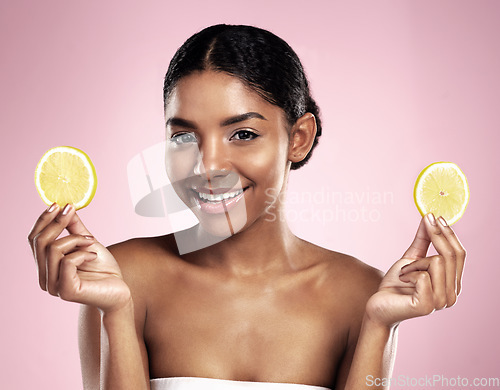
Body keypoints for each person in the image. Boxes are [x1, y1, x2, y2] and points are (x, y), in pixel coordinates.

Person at [27, 24, 466, 390]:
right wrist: (118, 313)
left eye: (242, 134)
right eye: (184, 137)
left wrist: (378, 325)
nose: (208, 165)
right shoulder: (120, 278)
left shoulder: (363, 294)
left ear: (299, 138)